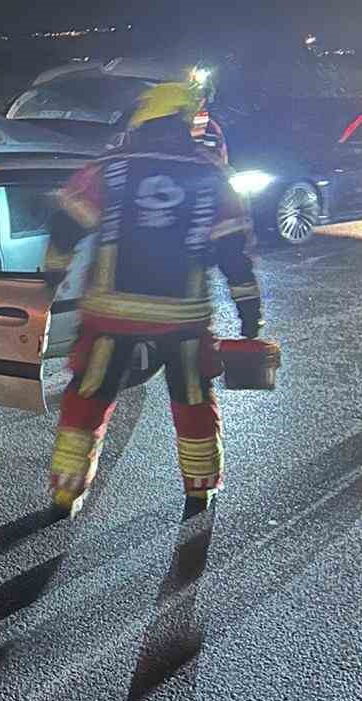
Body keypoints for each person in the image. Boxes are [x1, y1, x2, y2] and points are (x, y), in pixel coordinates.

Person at [42, 80, 264, 520]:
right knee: (193, 400)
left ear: (143, 119)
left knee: (88, 397)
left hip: (111, 315)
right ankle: (199, 491)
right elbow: (233, 254)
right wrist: (250, 315)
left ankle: (65, 493)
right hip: (182, 320)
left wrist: (51, 282)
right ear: (186, 122)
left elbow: (66, 225)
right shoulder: (211, 175)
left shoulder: (109, 170)